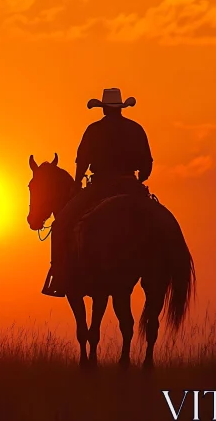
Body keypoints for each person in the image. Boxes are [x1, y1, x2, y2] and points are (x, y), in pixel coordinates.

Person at [41, 88, 154, 297]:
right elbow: (147, 165)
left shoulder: (94, 130)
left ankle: (58, 277)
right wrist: (139, 180)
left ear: (103, 109)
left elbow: (81, 161)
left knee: (59, 225)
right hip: (131, 187)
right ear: (120, 108)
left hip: (100, 186)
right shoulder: (136, 129)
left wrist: (76, 184)